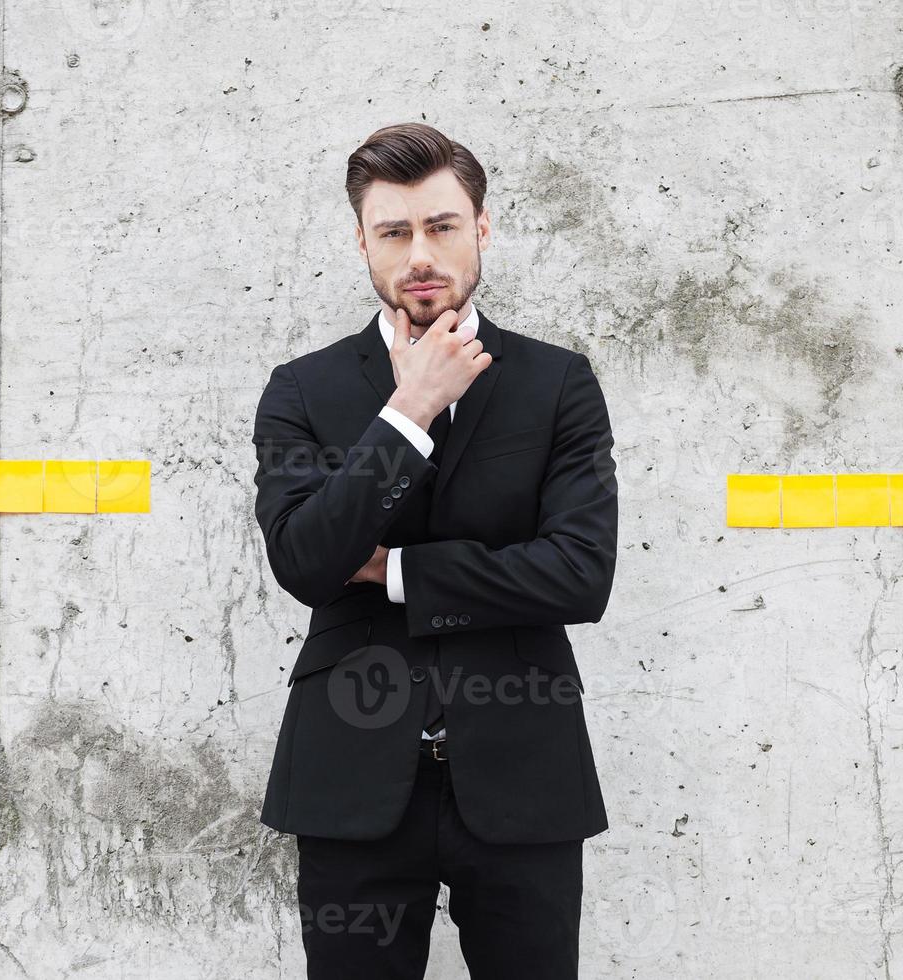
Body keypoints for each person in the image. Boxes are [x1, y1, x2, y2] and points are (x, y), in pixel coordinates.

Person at [249, 121, 618, 979]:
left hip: (525, 775)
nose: (420, 253)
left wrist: (393, 567)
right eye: (394, 231)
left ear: (480, 229)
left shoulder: (556, 382)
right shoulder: (302, 389)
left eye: (442, 226)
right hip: (350, 776)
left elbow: (580, 571)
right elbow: (304, 562)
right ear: (363, 241)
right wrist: (406, 411)